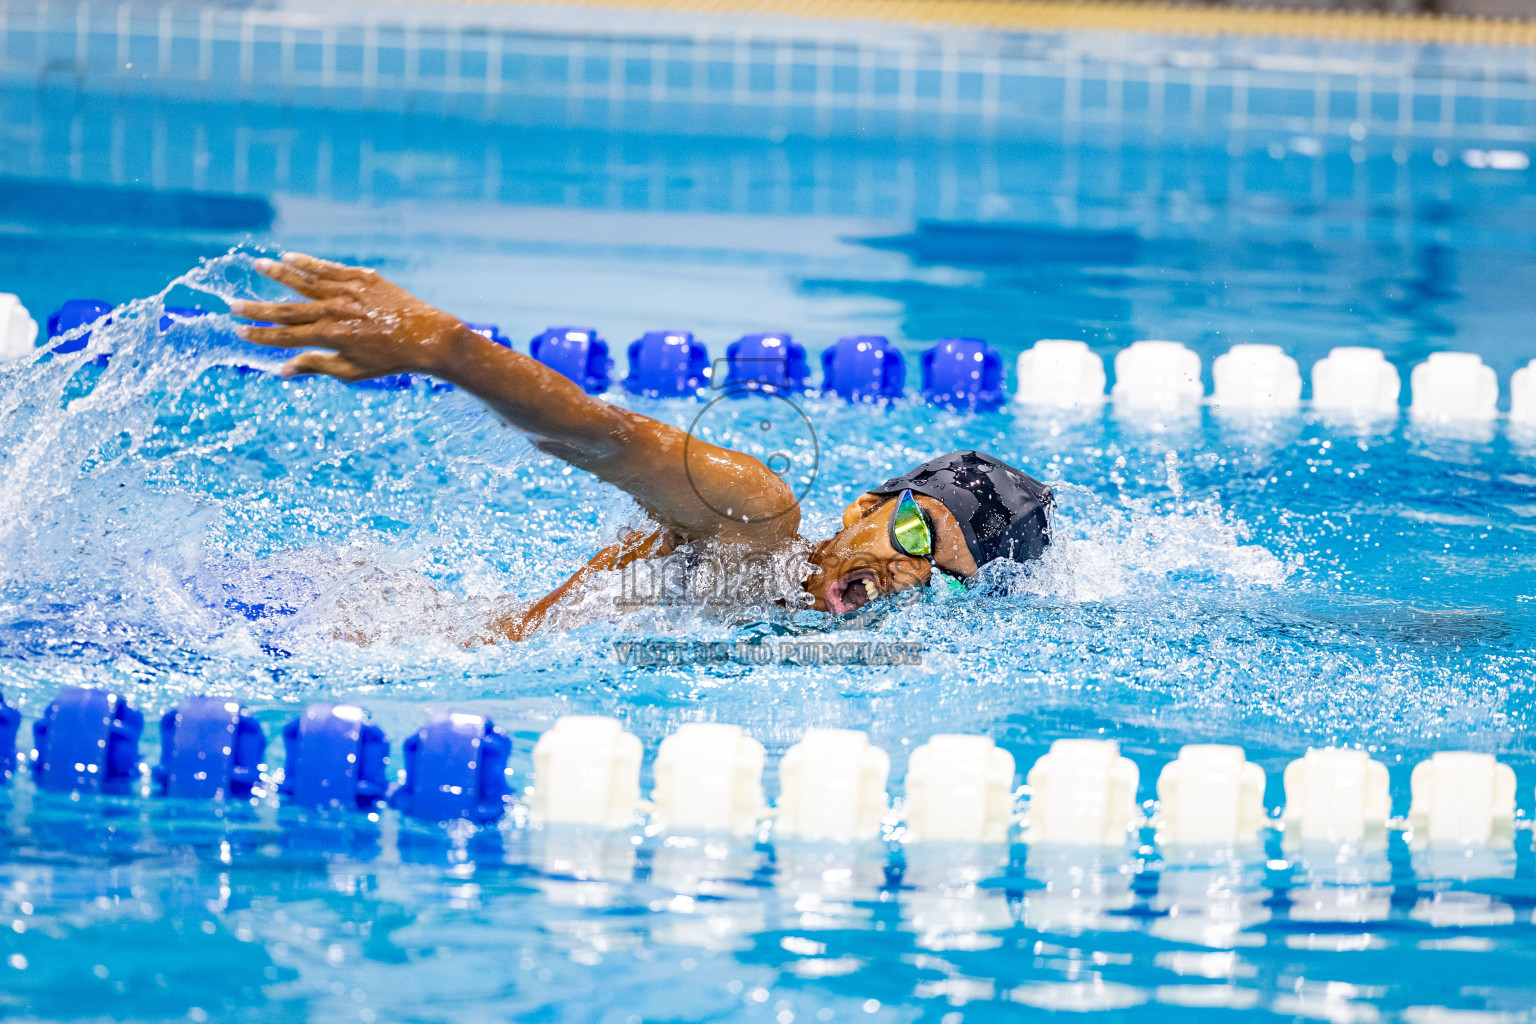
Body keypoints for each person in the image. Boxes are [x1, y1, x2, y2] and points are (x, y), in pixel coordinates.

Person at [232, 253, 1054, 640]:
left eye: (943, 580)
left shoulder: (843, 650)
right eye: (917, 536)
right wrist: (445, 349)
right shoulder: (755, 524)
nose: (912, 575)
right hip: (358, 634)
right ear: (865, 508)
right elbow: (602, 436)